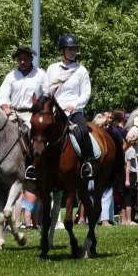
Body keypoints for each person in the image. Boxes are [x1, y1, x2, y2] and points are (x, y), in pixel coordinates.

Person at [37, 33, 94, 179]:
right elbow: (46, 90)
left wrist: (75, 104)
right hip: (55, 111)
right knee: (37, 131)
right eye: (70, 49)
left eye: (74, 49)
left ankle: (87, 163)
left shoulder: (81, 70)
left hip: (73, 112)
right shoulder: (52, 69)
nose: (73, 52)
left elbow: (86, 93)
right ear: (62, 51)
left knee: (83, 131)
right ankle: (33, 164)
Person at [0, 45, 46, 125]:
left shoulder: (41, 75)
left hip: (31, 114)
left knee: (32, 131)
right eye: (20, 59)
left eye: (25, 59)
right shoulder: (10, 76)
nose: (22, 62)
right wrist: (5, 107)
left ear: (31, 59)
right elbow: (3, 95)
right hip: (12, 113)